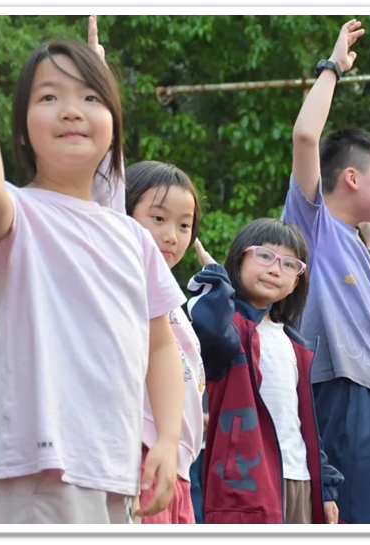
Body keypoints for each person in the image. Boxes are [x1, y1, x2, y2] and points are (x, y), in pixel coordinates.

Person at [0, 15, 185, 523]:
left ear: (114, 126)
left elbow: (161, 344)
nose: (72, 110)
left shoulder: (131, 237)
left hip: (114, 473)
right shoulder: (17, 215)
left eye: (90, 98)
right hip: (35, 471)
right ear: (21, 132)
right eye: (49, 97)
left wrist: (168, 439)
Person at [281, 19, 370, 524]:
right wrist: (333, 67)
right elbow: (306, 136)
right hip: (334, 386)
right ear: (350, 177)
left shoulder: (361, 243)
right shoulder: (314, 223)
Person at [187, 219, 343, 524]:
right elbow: (212, 333)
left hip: (300, 479)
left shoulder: (295, 343)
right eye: (264, 256)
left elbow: (303, 422)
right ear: (238, 260)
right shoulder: (230, 326)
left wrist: (325, 485)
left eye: (289, 264)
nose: (275, 269)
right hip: (245, 483)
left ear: (297, 281)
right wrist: (218, 282)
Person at [124, 160, 206, 524]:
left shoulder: (174, 305)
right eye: (158, 218)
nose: (172, 235)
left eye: (184, 225)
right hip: (142, 455)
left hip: (177, 465)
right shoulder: (124, 287)